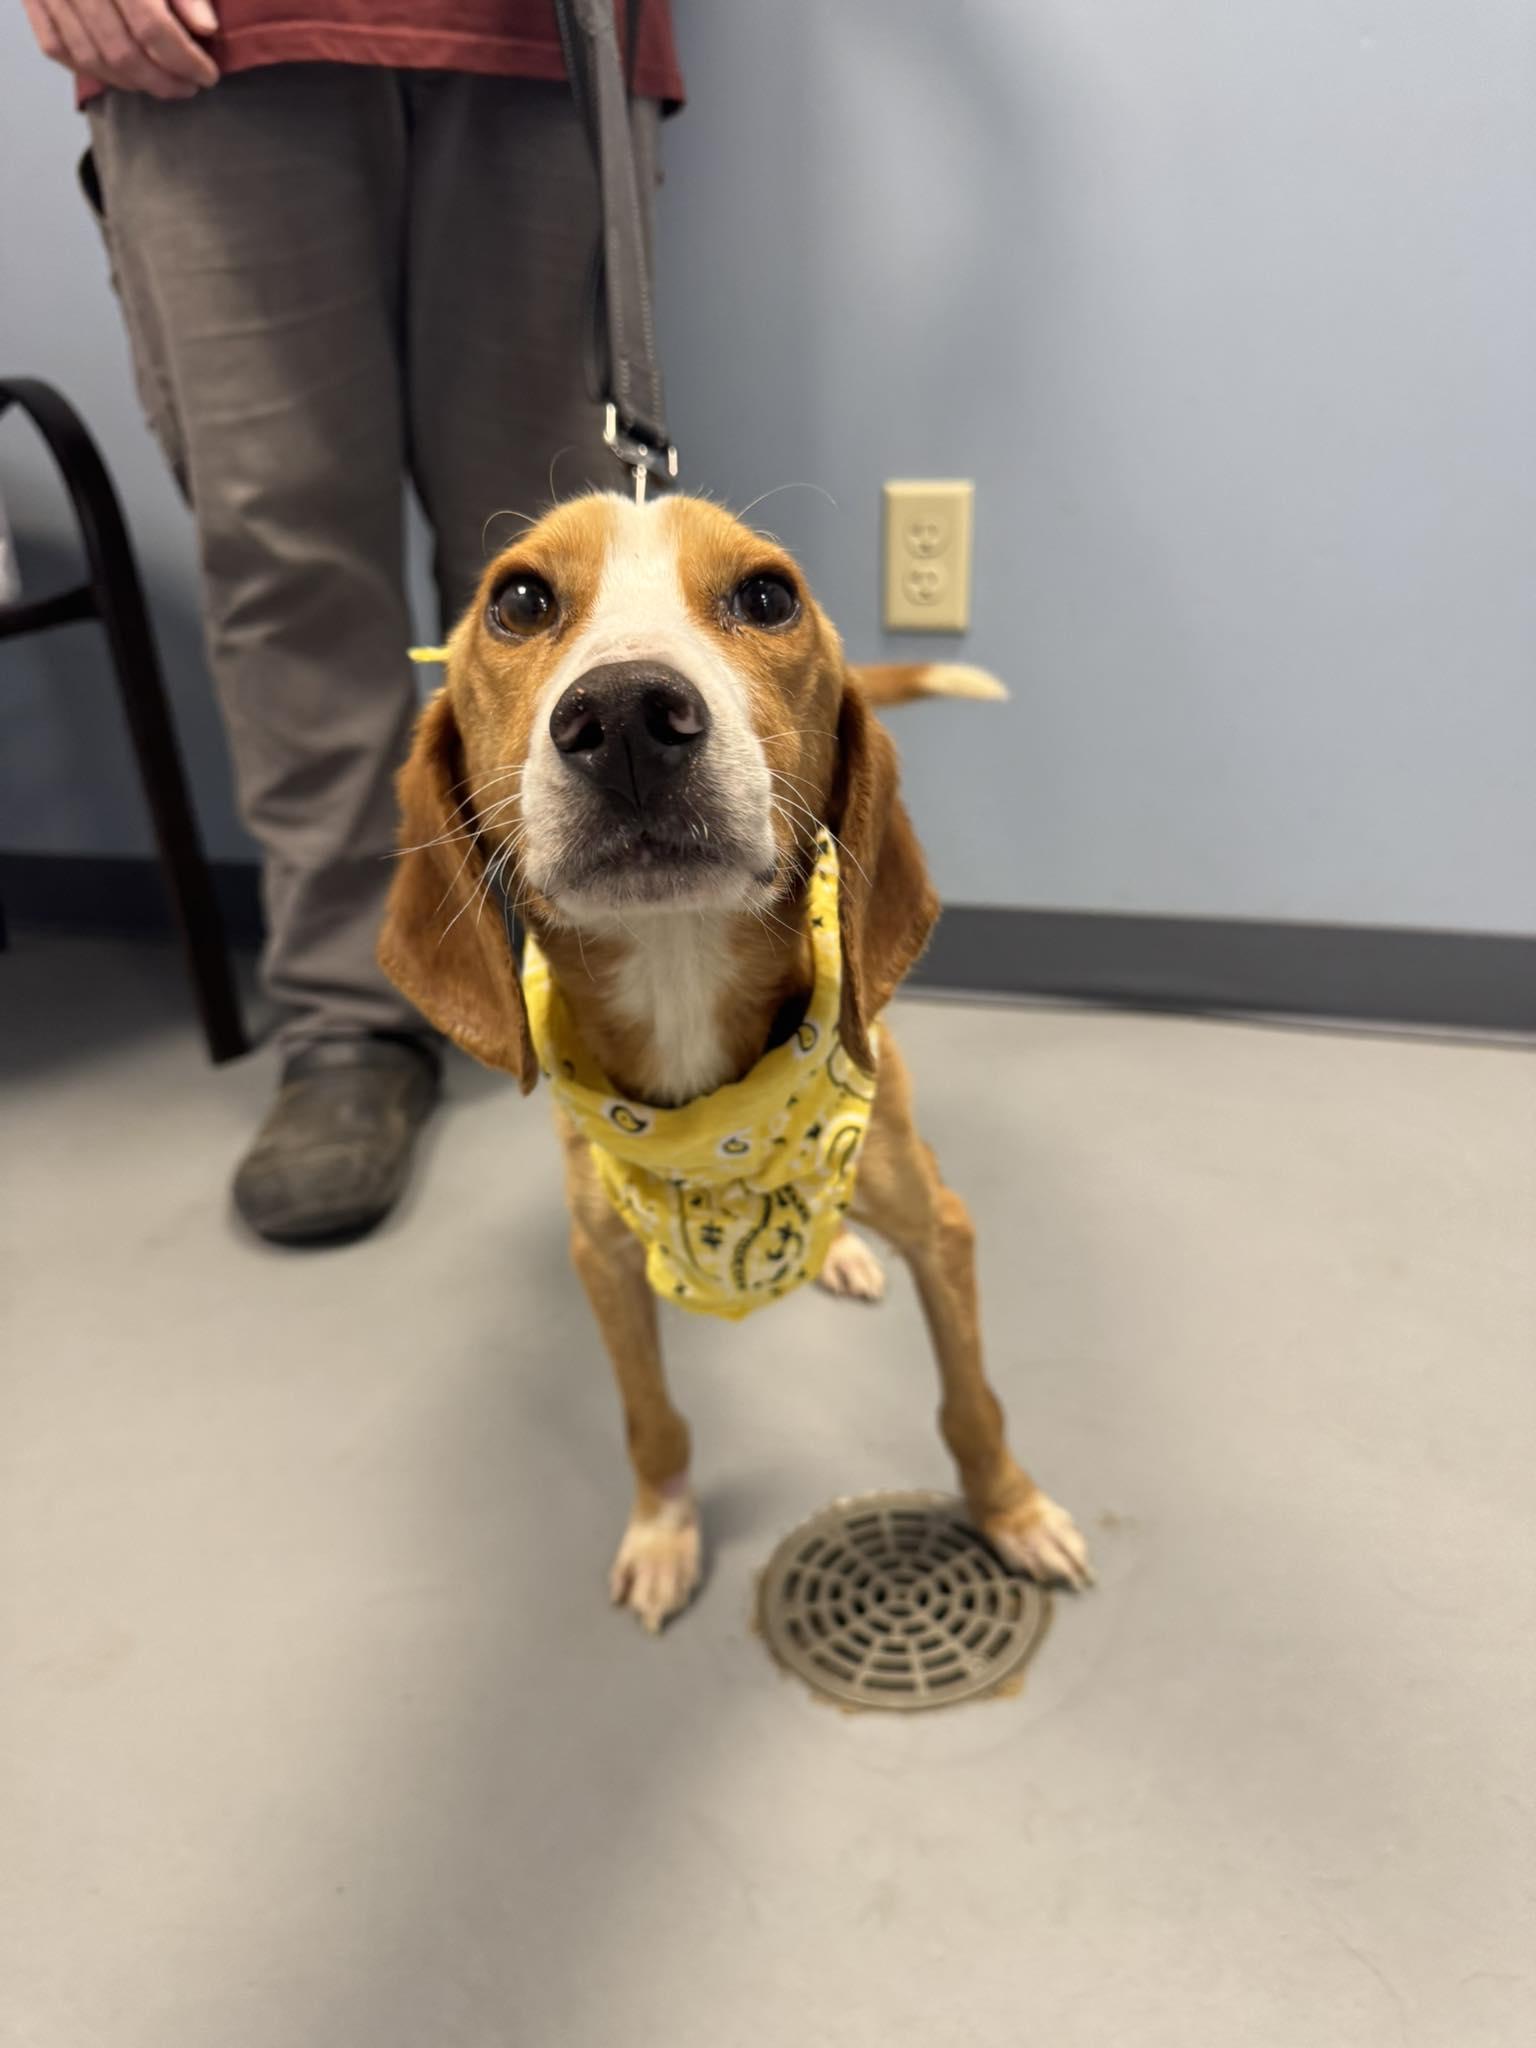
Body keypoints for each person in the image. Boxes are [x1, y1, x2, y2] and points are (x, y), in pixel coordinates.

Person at [19, 0, 683, 1243]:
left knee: (556, 571)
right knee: (285, 559)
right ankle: (354, 1014)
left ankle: (596, 967)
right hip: (212, 41)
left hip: (543, 37)